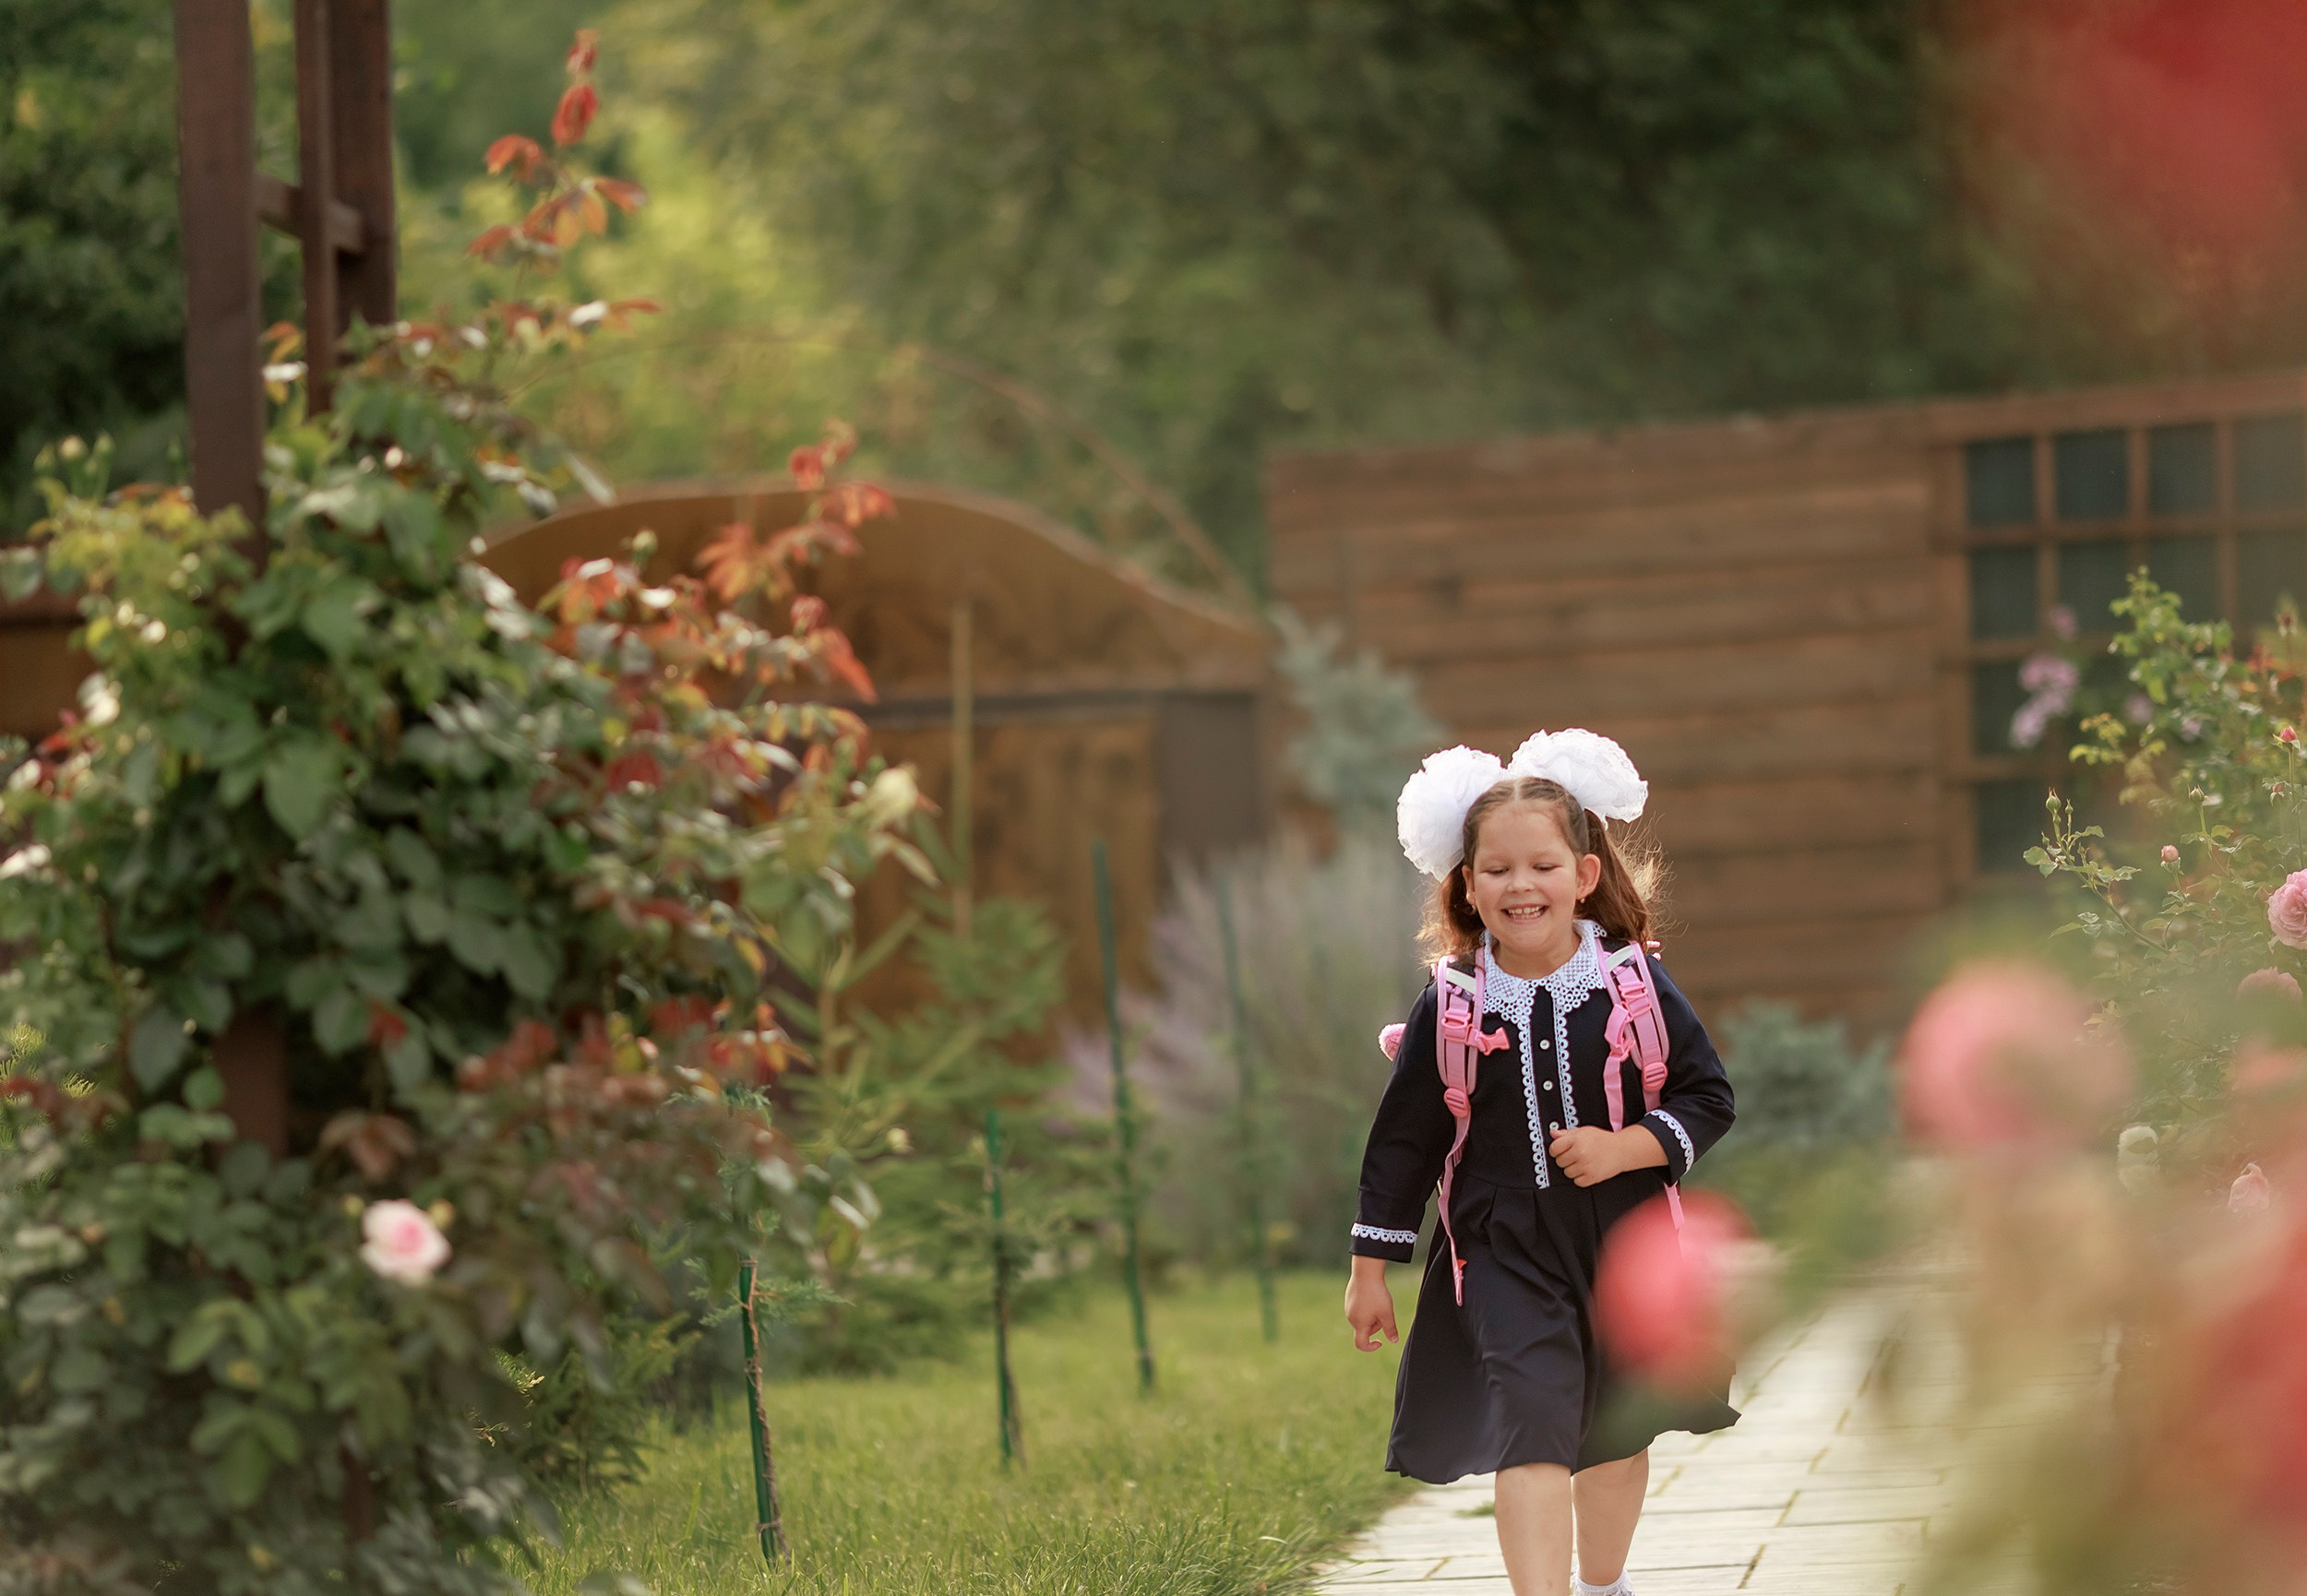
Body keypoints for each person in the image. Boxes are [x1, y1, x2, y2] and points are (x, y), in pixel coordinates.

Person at [1344, 731, 1738, 1596]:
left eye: (1543, 866)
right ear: (1469, 885)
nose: (1521, 885)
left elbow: (1709, 1097)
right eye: (1497, 870)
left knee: (1612, 1436)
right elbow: (1403, 1144)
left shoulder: (1633, 984)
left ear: (1584, 876)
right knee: (1531, 1423)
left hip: (1622, 1242)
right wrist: (1371, 1268)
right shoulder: (1452, 1003)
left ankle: (1603, 1586)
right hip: (1498, 1247)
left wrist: (1625, 1147)